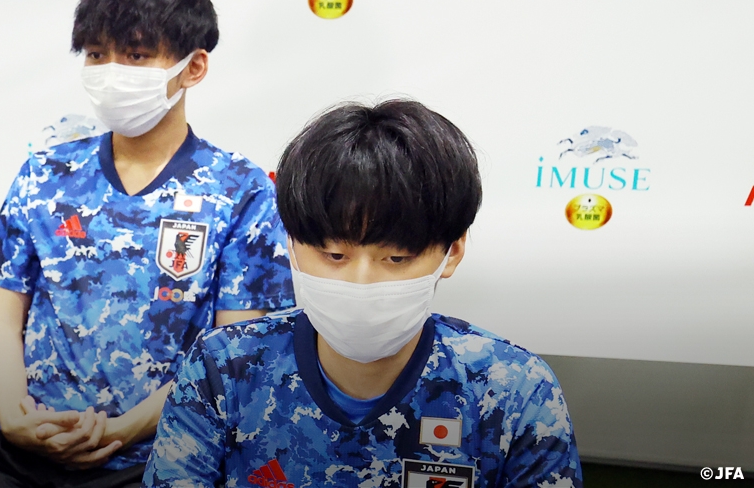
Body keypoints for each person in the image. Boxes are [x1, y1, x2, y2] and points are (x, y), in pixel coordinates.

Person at [0, 0, 295, 488]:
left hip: (157, 459)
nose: (112, 71)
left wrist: (120, 431)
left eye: (136, 55)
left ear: (193, 67)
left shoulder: (241, 191)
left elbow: (233, 352)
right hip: (22, 450)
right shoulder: (46, 173)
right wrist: (16, 418)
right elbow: (2, 318)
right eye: (97, 54)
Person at [144, 100, 583, 487]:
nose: (361, 283)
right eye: (334, 255)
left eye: (396, 259)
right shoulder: (223, 369)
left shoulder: (512, 391)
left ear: (452, 252)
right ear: (292, 245)